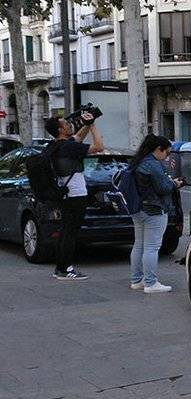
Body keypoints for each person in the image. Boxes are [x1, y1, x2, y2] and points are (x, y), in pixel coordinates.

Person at [43, 113, 104, 281]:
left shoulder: (56, 145)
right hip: (75, 193)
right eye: (66, 124)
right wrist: (93, 127)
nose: (70, 125)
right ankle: (65, 269)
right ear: (60, 130)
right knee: (70, 232)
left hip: (65, 193)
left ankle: (60, 267)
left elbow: (78, 136)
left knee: (65, 230)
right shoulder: (67, 147)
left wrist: (88, 123)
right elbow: (99, 147)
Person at [129, 134, 182, 294]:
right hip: (154, 210)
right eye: (167, 153)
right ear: (159, 149)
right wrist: (174, 184)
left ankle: (137, 280)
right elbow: (163, 188)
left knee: (139, 245)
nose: (167, 157)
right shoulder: (152, 164)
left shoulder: (138, 162)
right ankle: (151, 283)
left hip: (138, 209)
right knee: (152, 247)